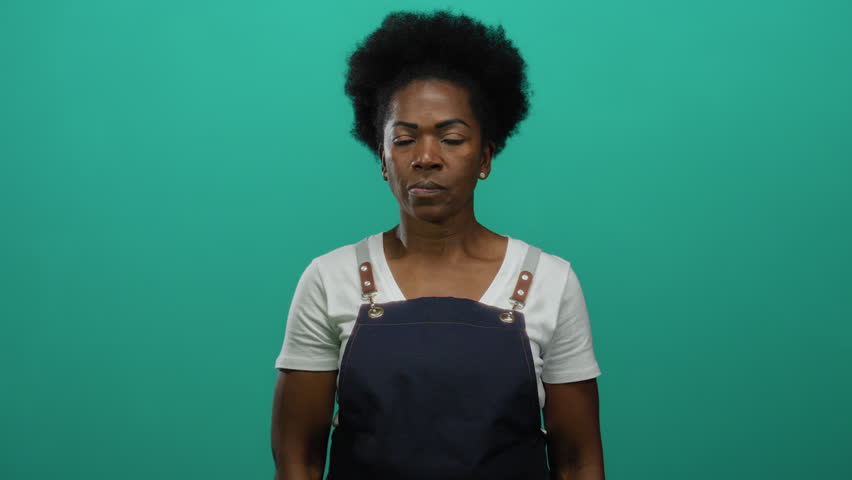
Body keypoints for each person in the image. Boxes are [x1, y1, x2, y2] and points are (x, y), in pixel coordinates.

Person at [270, 10, 604, 480]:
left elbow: (578, 463)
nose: (426, 158)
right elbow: (298, 462)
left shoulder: (550, 281)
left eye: (451, 138)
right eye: (404, 140)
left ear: (485, 156)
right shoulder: (329, 279)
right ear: (382, 159)